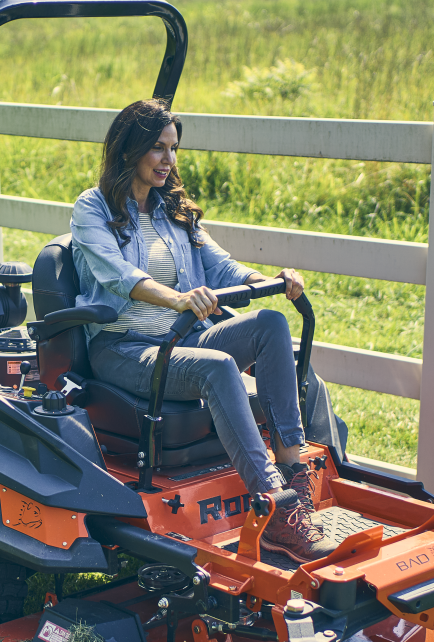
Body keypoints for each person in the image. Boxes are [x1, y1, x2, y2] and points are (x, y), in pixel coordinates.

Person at [69, 98, 329, 563]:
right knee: (219, 367)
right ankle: (272, 507)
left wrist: (267, 280)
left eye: (173, 150)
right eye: (158, 149)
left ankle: (294, 479)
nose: (169, 161)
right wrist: (177, 299)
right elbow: (116, 275)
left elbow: (221, 265)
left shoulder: (176, 210)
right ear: (130, 150)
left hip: (180, 340)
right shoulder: (93, 207)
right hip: (126, 347)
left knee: (271, 324)